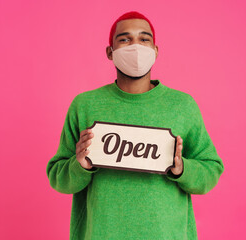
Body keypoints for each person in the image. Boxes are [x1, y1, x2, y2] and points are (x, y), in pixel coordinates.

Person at [46, 11, 224, 240]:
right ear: (110, 52)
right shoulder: (85, 105)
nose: (136, 46)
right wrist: (80, 165)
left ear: (155, 50)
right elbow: (58, 178)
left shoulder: (182, 105)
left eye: (144, 39)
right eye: (125, 39)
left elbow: (211, 169)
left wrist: (181, 168)